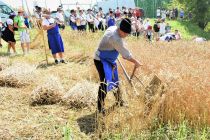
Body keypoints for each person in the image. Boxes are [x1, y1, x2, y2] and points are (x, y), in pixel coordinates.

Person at [94, 18, 142, 114]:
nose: (127, 35)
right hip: (101, 60)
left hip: (109, 60)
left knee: (115, 80)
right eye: (126, 33)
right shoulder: (115, 38)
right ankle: (100, 107)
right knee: (105, 83)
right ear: (120, 30)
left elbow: (122, 47)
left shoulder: (113, 28)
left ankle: (119, 100)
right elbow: (125, 55)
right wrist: (136, 62)